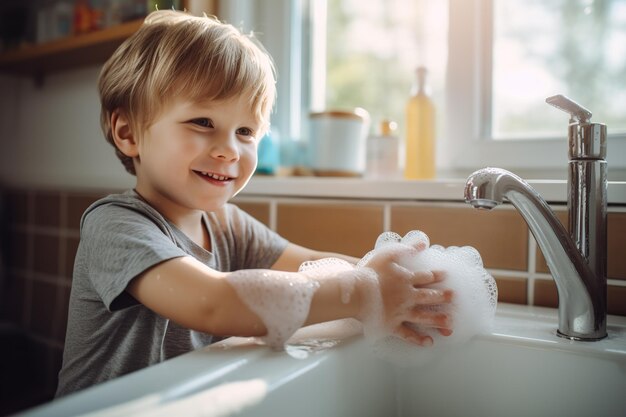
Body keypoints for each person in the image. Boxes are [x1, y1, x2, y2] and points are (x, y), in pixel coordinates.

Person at [56, 10, 453, 397]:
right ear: (127, 133)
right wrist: (364, 293)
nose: (229, 150)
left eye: (246, 131)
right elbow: (214, 303)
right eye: (203, 123)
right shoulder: (115, 225)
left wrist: (403, 281)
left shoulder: (226, 224)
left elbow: (314, 263)